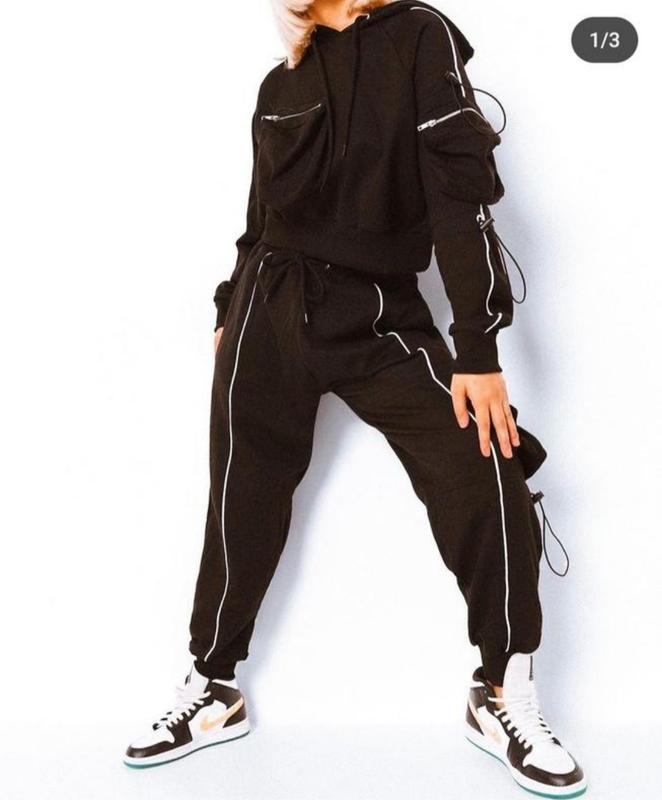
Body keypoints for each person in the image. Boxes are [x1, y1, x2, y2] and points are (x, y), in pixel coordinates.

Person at [124, 1, 586, 795]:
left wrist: (477, 350)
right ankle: (213, 688)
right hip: (268, 309)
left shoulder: (418, 35)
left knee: (483, 462)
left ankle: (503, 691)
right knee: (241, 498)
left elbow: (459, 196)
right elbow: (258, 216)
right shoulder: (281, 82)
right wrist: (230, 308)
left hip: (380, 314)